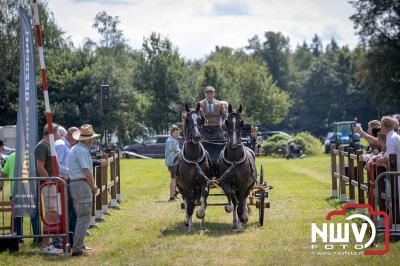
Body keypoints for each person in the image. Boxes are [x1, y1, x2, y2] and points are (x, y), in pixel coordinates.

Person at [67, 124, 100, 256]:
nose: (92, 141)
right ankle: (77, 248)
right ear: (87, 139)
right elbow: (87, 171)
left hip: (75, 184)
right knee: (84, 217)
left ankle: (77, 245)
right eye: (91, 138)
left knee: (79, 216)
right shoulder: (82, 151)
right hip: (81, 185)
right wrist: (93, 186)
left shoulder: (75, 148)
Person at [34, 123, 63, 254]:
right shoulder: (42, 146)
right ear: (51, 133)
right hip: (48, 185)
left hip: (52, 184)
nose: (60, 135)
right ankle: (46, 246)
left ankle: (49, 244)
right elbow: (40, 167)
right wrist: (50, 181)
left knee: (54, 213)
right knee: (51, 213)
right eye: (58, 132)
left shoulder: (49, 146)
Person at [54, 127, 79, 248]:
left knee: (68, 212)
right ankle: (60, 241)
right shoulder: (61, 145)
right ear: (72, 136)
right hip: (61, 183)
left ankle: (68, 239)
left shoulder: (67, 146)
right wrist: (72, 172)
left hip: (67, 182)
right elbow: (56, 166)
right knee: (62, 212)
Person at [165, 126, 180, 201]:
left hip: (170, 162)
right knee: (173, 179)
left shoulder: (169, 139)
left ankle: (175, 194)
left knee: (176, 179)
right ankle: (171, 197)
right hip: (172, 163)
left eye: (178, 133)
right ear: (172, 133)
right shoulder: (172, 141)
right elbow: (177, 151)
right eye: (176, 133)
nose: (178, 134)